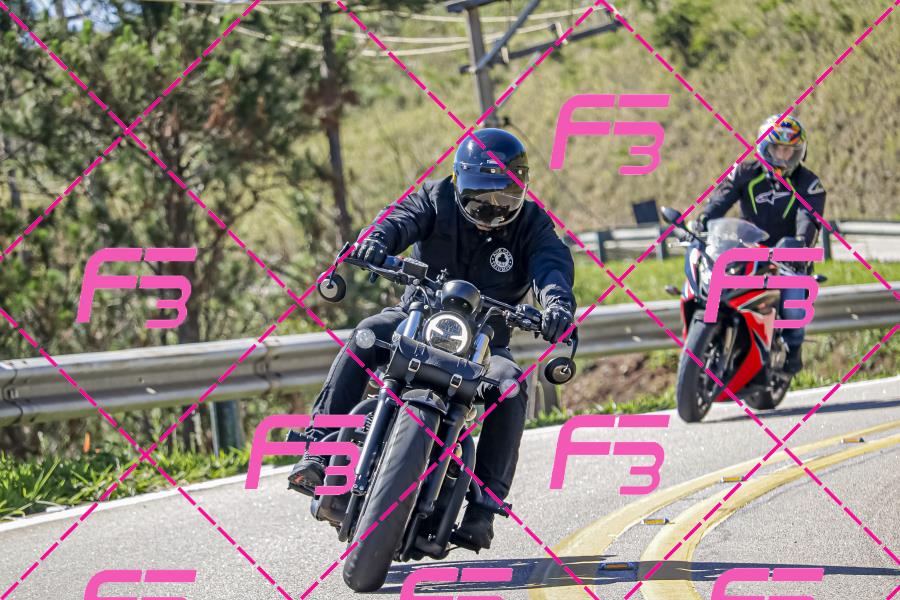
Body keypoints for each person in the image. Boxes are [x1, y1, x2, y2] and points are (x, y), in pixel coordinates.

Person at [288, 128, 577, 550]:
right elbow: (400, 218)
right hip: (415, 318)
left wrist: (556, 304)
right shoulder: (435, 198)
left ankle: (484, 507)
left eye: (504, 198)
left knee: (512, 386)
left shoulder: (532, 224)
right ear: (459, 182)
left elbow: (552, 265)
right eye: (480, 197)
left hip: (485, 344)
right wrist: (376, 240)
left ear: (522, 190)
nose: (492, 208)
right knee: (366, 336)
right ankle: (317, 451)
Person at [694, 114, 826, 373]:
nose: (784, 156)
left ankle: (793, 350)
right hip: (746, 250)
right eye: (778, 148)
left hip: (787, 257)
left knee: (793, 301)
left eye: (790, 150)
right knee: (710, 276)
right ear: (765, 148)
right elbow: (721, 199)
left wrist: (800, 243)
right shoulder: (745, 172)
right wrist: (704, 219)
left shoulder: (809, 184)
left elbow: (809, 217)